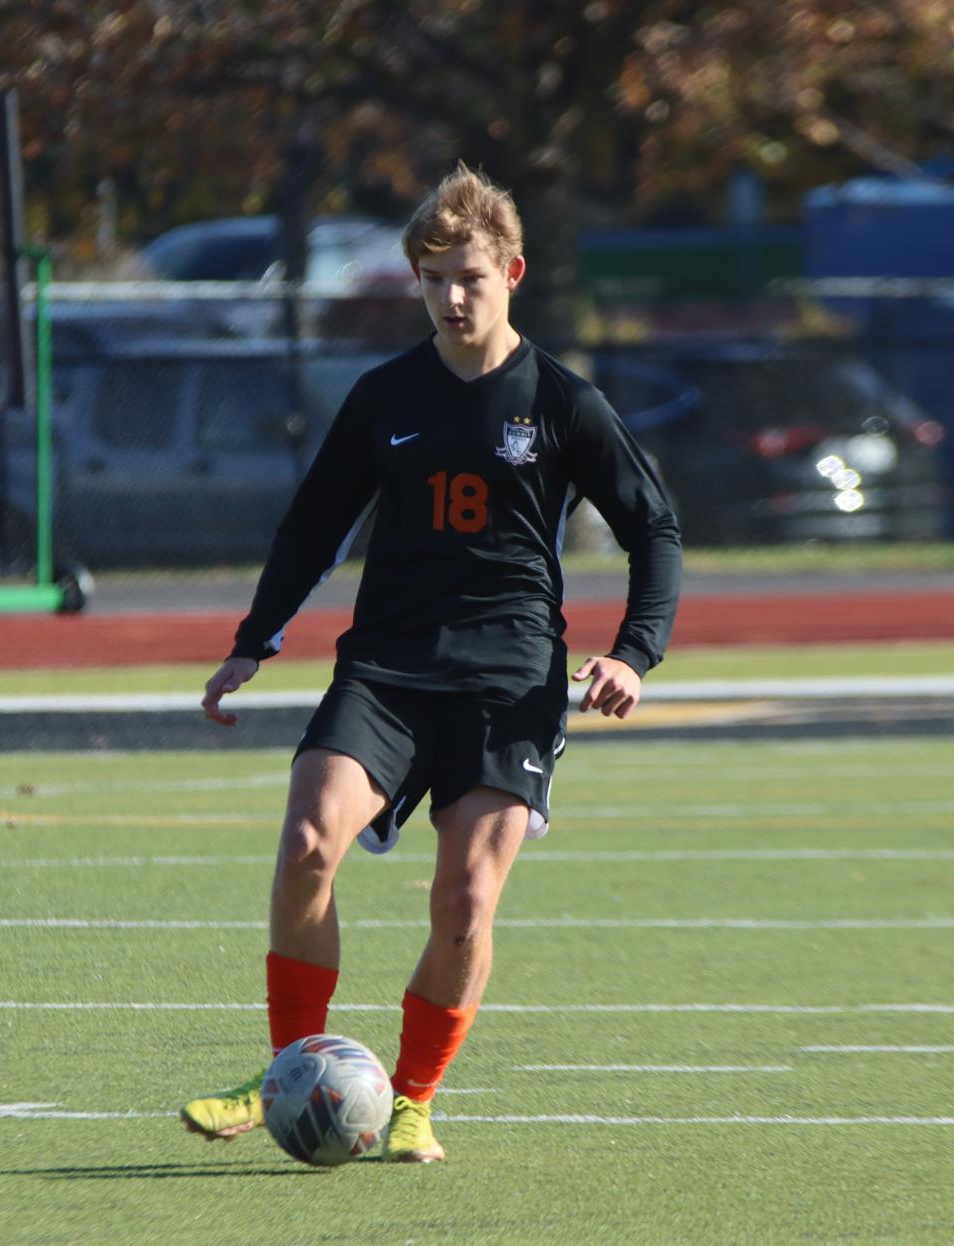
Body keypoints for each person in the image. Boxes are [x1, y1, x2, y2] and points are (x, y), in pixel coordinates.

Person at [180, 164, 682, 1164]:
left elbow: (654, 530)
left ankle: (412, 1098)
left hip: (510, 685)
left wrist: (634, 652)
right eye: (435, 278)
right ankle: (287, 1069)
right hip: (388, 671)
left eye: (472, 279)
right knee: (308, 844)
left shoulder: (563, 403)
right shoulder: (384, 398)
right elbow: (314, 526)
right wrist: (254, 639)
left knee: (463, 904)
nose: (453, 298)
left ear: (513, 274)